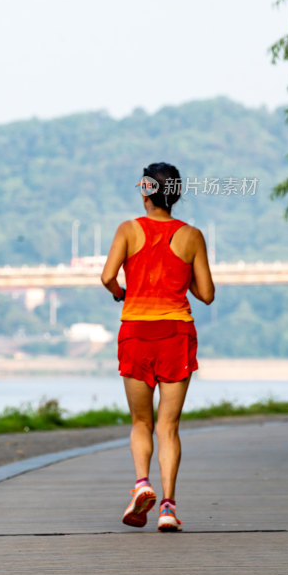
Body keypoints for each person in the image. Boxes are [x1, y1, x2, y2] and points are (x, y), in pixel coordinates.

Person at [101, 162, 215, 532]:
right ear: (177, 194)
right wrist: (181, 280)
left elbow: (107, 277)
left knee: (141, 421)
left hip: (136, 333)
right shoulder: (192, 236)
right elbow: (207, 295)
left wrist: (122, 293)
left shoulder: (128, 229)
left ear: (147, 191)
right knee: (169, 426)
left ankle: (141, 484)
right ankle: (167, 507)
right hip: (176, 334)